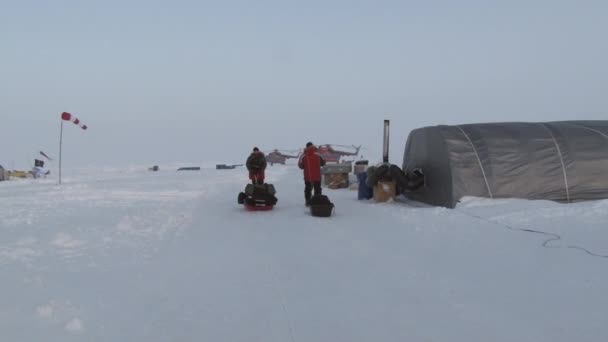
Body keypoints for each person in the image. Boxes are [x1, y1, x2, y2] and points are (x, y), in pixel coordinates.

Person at [298, 142, 326, 206]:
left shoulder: (303, 155)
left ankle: (308, 202)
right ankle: (317, 202)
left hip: (308, 176)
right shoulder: (319, 154)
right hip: (317, 176)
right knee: (317, 189)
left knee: (308, 189)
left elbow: (300, 166)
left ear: (306, 147)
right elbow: (323, 163)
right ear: (313, 146)